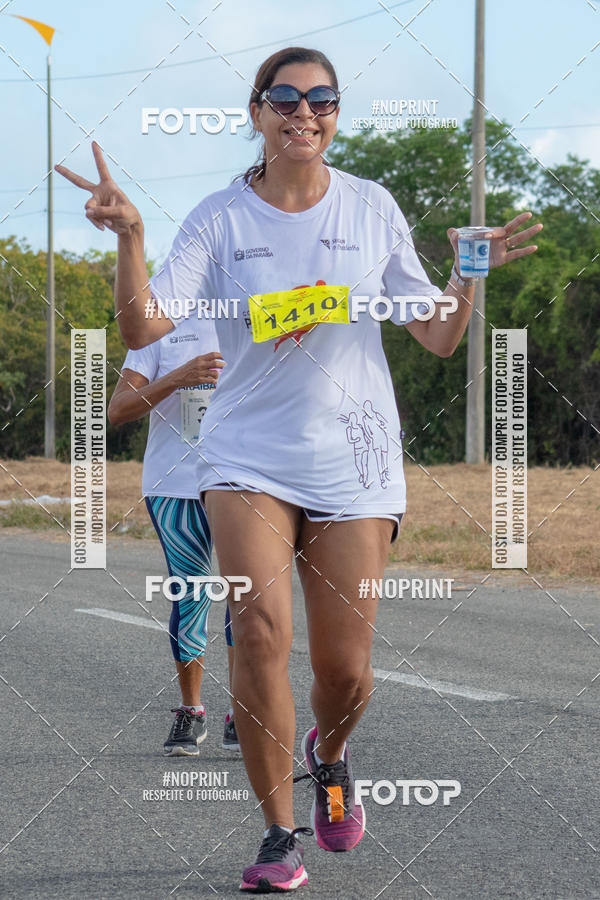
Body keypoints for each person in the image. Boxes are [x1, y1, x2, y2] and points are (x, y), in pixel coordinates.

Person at [57, 45, 542, 894]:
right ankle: (279, 833)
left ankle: (333, 751)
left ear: (336, 115)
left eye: (322, 100)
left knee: (346, 671)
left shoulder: (372, 204)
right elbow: (142, 330)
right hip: (244, 455)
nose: (304, 113)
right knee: (259, 630)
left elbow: (435, 333)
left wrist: (469, 277)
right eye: (285, 98)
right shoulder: (219, 218)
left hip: (354, 458)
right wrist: (130, 236)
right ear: (256, 113)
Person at [107, 318, 241, 755]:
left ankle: (244, 713)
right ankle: (192, 712)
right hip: (174, 484)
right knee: (192, 593)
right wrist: (178, 378)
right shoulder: (156, 332)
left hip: (247, 479)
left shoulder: (252, 313)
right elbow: (119, 407)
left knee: (249, 596)